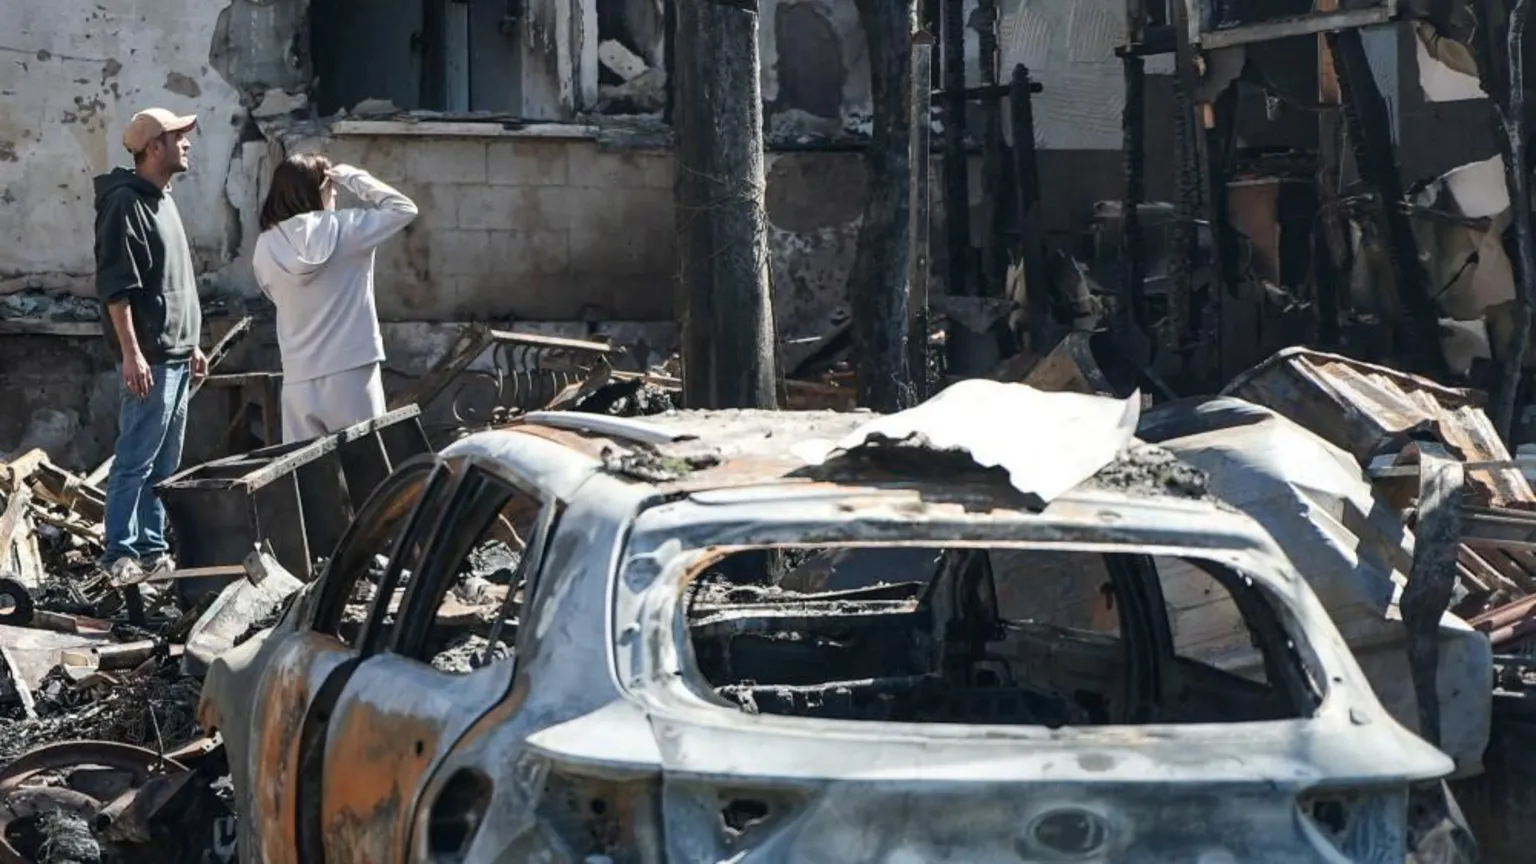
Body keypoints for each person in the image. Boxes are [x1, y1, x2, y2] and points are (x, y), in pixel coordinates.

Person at [94, 107, 208, 585]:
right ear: (153, 147)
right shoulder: (125, 203)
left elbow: (174, 281)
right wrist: (132, 354)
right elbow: (116, 288)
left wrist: (194, 343)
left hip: (178, 354)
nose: (187, 143)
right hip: (152, 358)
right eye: (177, 136)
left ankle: (152, 549)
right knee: (136, 458)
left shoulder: (164, 198)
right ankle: (119, 551)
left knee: (164, 464)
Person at [252, 154, 418, 443]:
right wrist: (353, 176)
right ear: (317, 189)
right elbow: (404, 208)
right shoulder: (348, 228)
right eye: (331, 185)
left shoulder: (265, 246)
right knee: (368, 469)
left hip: (298, 376)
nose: (336, 191)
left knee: (308, 476)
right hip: (352, 370)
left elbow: (274, 296)